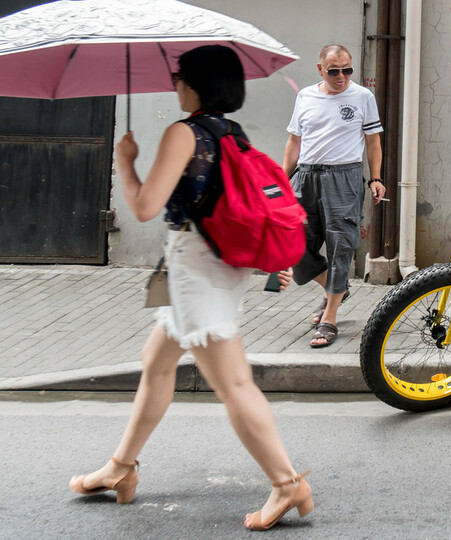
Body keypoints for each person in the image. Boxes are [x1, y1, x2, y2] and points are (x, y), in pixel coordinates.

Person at [68, 45, 312, 532]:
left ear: (197, 84)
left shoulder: (185, 133)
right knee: (156, 362)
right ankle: (121, 467)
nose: (175, 82)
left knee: (234, 383)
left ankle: (287, 484)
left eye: (180, 76)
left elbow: (141, 207)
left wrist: (125, 161)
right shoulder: (230, 132)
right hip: (208, 263)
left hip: (195, 268)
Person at [283, 44, 385, 348]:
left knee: (341, 246)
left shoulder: (362, 97)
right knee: (293, 245)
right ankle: (334, 289)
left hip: (345, 178)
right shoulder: (305, 96)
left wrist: (376, 178)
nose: (341, 76)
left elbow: (373, 141)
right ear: (320, 69)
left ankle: (330, 317)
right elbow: (293, 140)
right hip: (306, 177)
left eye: (347, 70)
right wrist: (282, 179)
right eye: (333, 71)